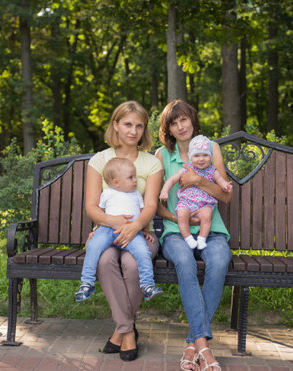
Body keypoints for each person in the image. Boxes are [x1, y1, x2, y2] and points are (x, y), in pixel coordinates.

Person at [155, 99, 232, 371]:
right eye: (173, 123)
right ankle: (203, 348)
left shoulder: (211, 148)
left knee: (221, 261)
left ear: (192, 119)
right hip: (177, 231)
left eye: (183, 119)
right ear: (168, 129)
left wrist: (199, 181)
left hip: (212, 230)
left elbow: (225, 195)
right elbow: (155, 202)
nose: (180, 126)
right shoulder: (162, 155)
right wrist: (177, 217)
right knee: (185, 263)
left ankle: (193, 344)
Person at [84, 100, 163, 362]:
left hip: (142, 234)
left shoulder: (151, 163)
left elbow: (150, 206)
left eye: (139, 126)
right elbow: (92, 208)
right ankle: (128, 331)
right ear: (115, 125)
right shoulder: (99, 160)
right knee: (105, 260)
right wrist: (116, 224)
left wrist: (134, 228)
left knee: (132, 264)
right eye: (128, 124)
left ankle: (120, 331)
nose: (133, 131)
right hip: (107, 233)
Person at [76, 157, 164, 302]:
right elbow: (100, 213)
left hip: (132, 232)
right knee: (93, 246)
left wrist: (145, 231)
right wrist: (97, 229)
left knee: (143, 252)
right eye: (130, 177)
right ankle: (87, 282)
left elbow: (143, 213)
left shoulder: (136, 195)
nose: (135, 180)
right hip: (107, 229)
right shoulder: (107, 194)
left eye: (135, 176)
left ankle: (147, 285)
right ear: (115, 182)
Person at [159, 135, 232, 250]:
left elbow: (220, 181)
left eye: (205, 155)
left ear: (210, 157)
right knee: (182, 213)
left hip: (204, 204)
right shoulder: (186, 169)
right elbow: (172, 180)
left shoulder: (212, 170)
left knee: (207, 214)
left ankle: (202, 239)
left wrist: (225, 186)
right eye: (197, 156)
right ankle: (188, 238)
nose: (201, 159)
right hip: (186, 203)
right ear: (190, 158)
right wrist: (164, 191)